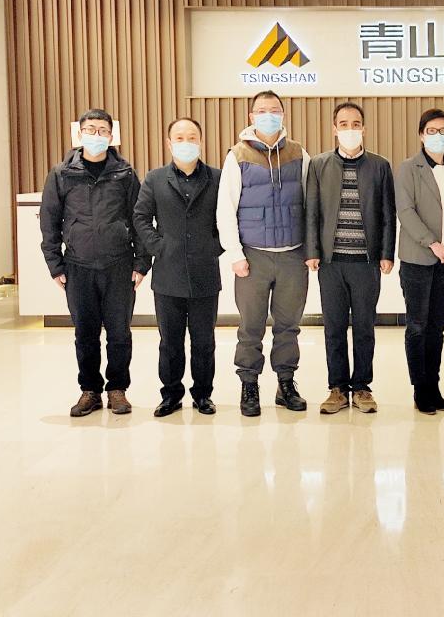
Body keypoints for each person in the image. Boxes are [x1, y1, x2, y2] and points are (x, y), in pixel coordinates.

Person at [39, 109, 150, 417]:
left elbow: (138, 219)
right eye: (90, 129)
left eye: (102, 130)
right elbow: (49, 221)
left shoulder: (125, 174)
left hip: (119, 265)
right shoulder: (62, 173)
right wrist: (55, 264)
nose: (96, 135)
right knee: (85, 333)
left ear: (111, 136)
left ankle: (117, 389)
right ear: (80, 133)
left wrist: (141, 262)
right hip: (78, 265)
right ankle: (90, 391)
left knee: (119, 333)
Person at [216, 90, 310, 417]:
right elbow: (225, 208)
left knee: (288, 326)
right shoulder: (237, 155)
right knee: (251, 326)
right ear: (251, 116)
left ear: (283, 115)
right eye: (262, 110)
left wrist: (310, 249)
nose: (268, 115)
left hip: (292, 256)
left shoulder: (299, 153)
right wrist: (235, 253)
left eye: (274, 110)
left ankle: (286, 384)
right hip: (253, 256)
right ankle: (249, 384)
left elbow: (311, 205)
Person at [305, 102, 396, 415]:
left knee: (364, 327)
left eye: (356, 123)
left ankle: (362, 388)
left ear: (364, 128)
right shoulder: (318, 165)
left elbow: (388, 214)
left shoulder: (380, 166)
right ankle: (337, 388)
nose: (350, 129)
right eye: (343, 124)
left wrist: (386, 253)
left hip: (366, 263)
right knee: (333, 327)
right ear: (335, 129)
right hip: (331, 263)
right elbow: (312, 211)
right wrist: (312, 251)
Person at [133, 117, 223, 417]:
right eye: (180, 138)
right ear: (169, 144)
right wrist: (159, 247)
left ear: (201, 142)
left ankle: (203, 395)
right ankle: (170, 395)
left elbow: (229, 219)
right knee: (170, 342)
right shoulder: (155, 178)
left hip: (205, 273)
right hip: (168, 275)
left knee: (204, 341)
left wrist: (215, 247)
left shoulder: (217, 178)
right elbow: (141, 217)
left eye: (192, 137)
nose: (186, 143)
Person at [394, 109, 444, 415]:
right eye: (431, 130)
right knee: (417, 326)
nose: (438, 136)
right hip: (418, 259)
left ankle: (434, 386)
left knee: (437, 327)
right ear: (421, 134)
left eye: (443, 130)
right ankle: (420, 389)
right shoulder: (408, 168)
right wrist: (433, 243)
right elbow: (406, 211)